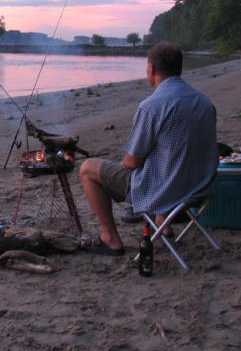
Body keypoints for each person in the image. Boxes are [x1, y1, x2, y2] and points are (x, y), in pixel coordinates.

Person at [78, 42, 218, 255]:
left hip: (166, 191)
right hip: (199, 188)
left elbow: (132, 162)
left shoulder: (152, 106)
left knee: (88, 168)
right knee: (167, 154)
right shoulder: (204, 102)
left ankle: (110, 238)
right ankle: (164, 224)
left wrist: (126, 161)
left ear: (152, 69)